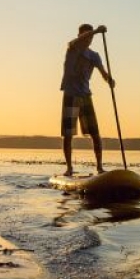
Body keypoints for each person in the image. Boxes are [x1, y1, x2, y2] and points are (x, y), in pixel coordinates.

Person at [60, 24, 115, 177]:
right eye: (86, 36)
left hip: (85, 96)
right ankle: (69, 168)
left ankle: (99, 167)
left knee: (95, 133)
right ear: (80, 35)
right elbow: (78, 40)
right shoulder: (72, 47)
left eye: (91, 37)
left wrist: (109, 80)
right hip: (70, 94)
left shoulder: (94, 56)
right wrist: (96, 31)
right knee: (68, 134)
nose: (88, 39)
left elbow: (103, 73)